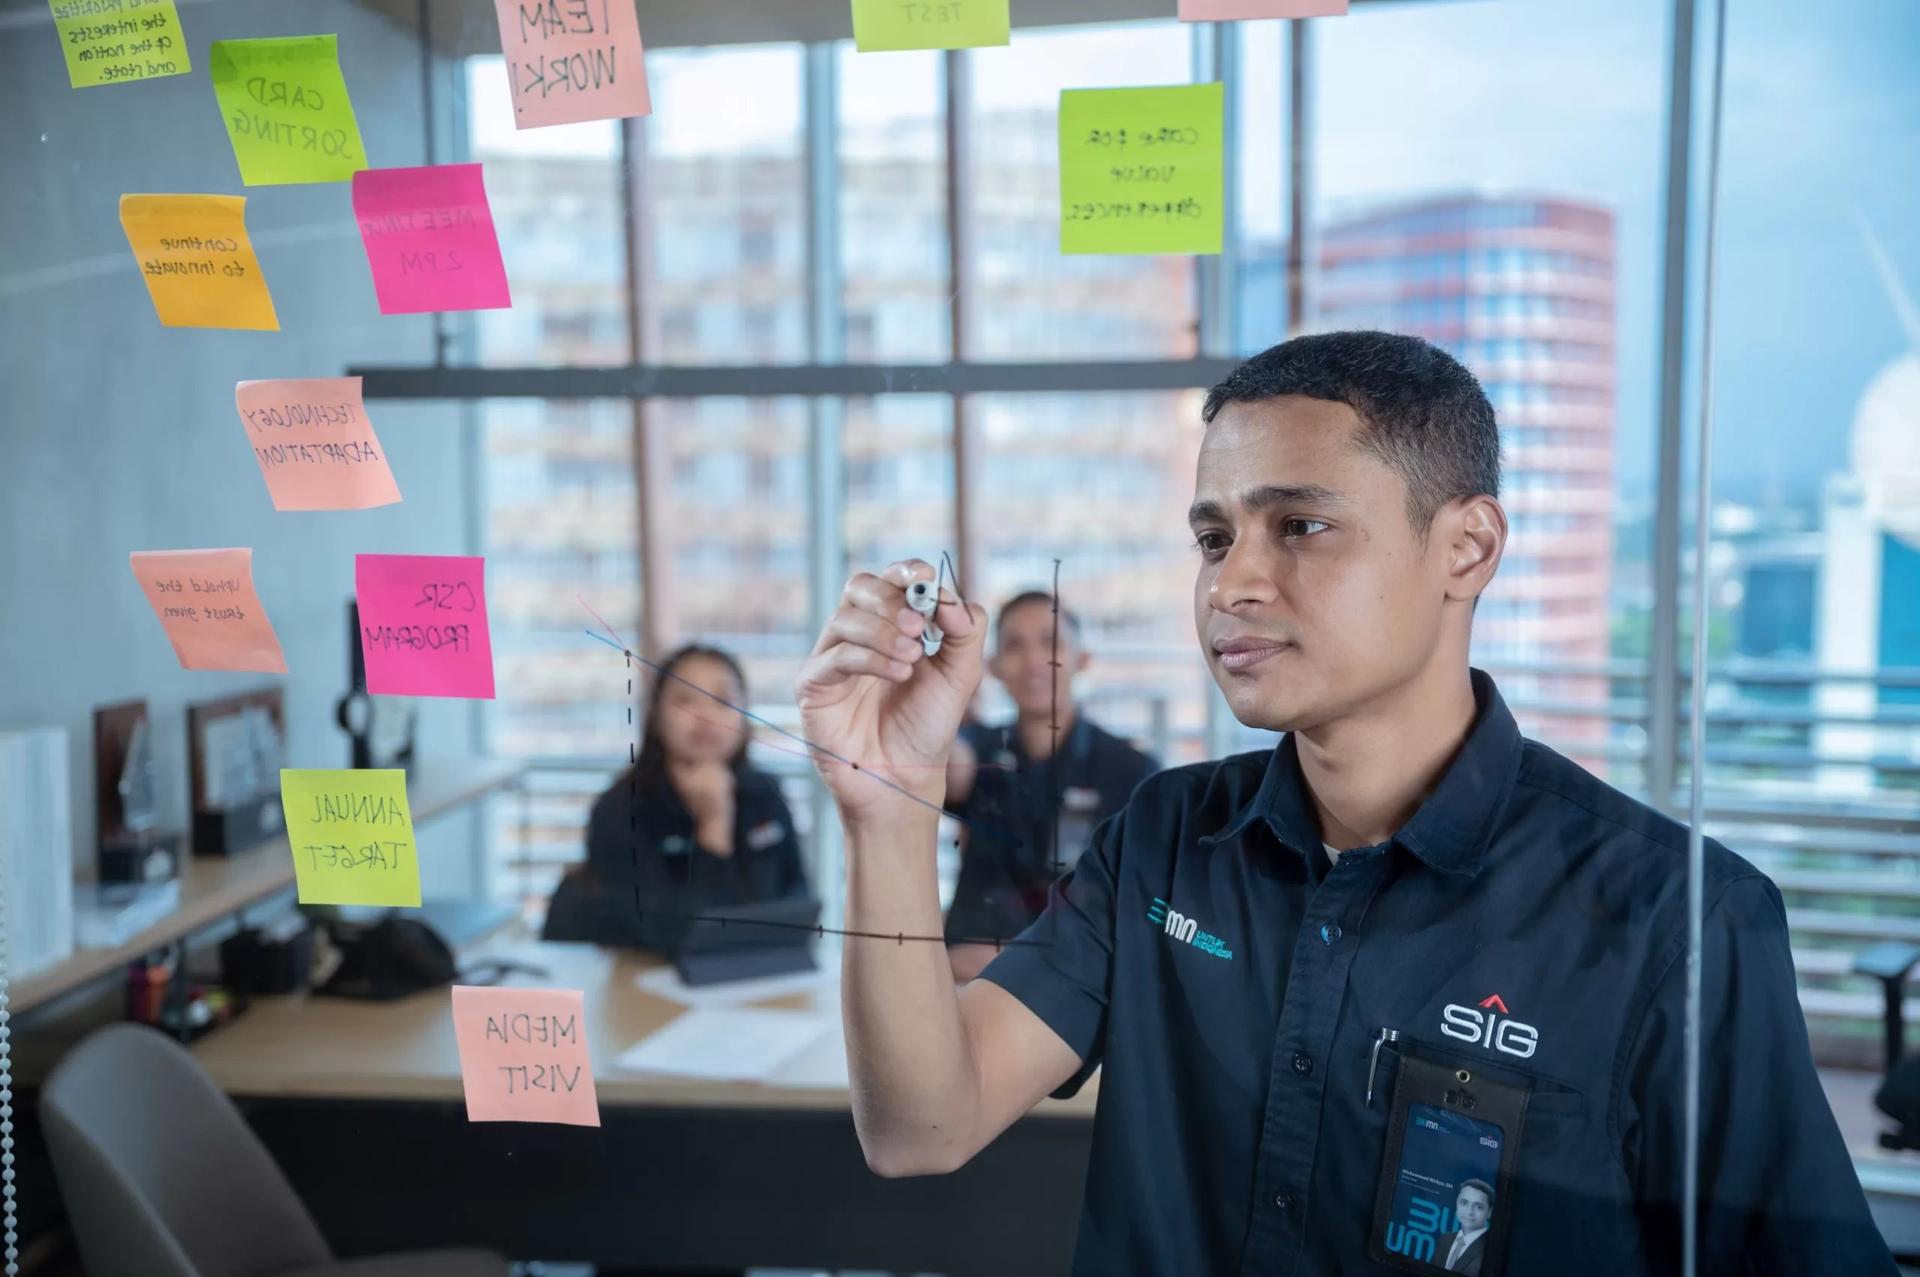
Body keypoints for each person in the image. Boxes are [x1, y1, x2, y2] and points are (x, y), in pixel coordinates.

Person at [792, 331, 1897, 1275]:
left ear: (1466, 548)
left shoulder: (1674, 918)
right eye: (1215, 538)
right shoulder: (1166, 841)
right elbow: (920, 1126)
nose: (1231, 583)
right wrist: (889, 806)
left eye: (1300, 526)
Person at [942, 591, 1160, 981]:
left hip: (1080, 979)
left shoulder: (1129, 768)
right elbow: (947, 772)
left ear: (1082, 659)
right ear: (992, 667)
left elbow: (1145, 905)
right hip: (969, 976)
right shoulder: (976, 750)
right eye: (1014, 645)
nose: (1033, 661)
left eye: (1050, 642)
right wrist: (946, 686)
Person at [544, 643, 808, 951]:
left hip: (761, 971)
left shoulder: (765, 793)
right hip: (642, 974)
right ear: (656, 715)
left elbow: (798, 901)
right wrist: (713, 824)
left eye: (723, 700)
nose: (706, 716)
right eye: (686, 700)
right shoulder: (620, 808)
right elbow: (673, 936)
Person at [1434, 1179, 1492, 1275]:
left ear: (1489, 1212)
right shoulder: (1445, 1239)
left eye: (1479, 1207)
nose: (1469, 1212)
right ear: (1457, 1203)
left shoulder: (1490, 1249)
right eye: (1464, 1203)